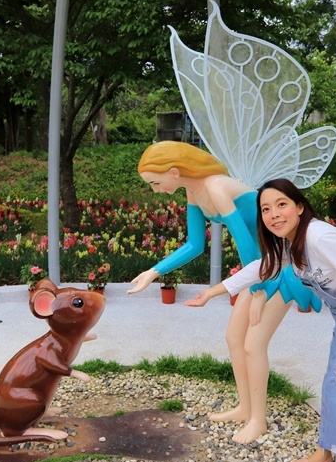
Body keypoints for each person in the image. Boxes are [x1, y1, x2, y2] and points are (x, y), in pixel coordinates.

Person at [185, 178, 336, 462]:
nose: (273, 214)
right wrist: (212, 292)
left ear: (299, 207)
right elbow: (264, 267)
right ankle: (324, 453)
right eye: (266, 209)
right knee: (334, 386)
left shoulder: (320, 238)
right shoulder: (292, 242)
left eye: (281, 205)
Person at [128, 141, 318, 444]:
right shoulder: (194, 192)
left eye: (155, 182)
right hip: (260, 268)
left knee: (253, 344)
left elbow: (245, 241)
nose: (154, 189)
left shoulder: (216, 188)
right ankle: (245, 408)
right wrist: (154, 272)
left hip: (281, 265)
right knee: (234, 338)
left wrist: (257, 291)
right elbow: (195, 245)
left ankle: (258, 420)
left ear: (173, 172)